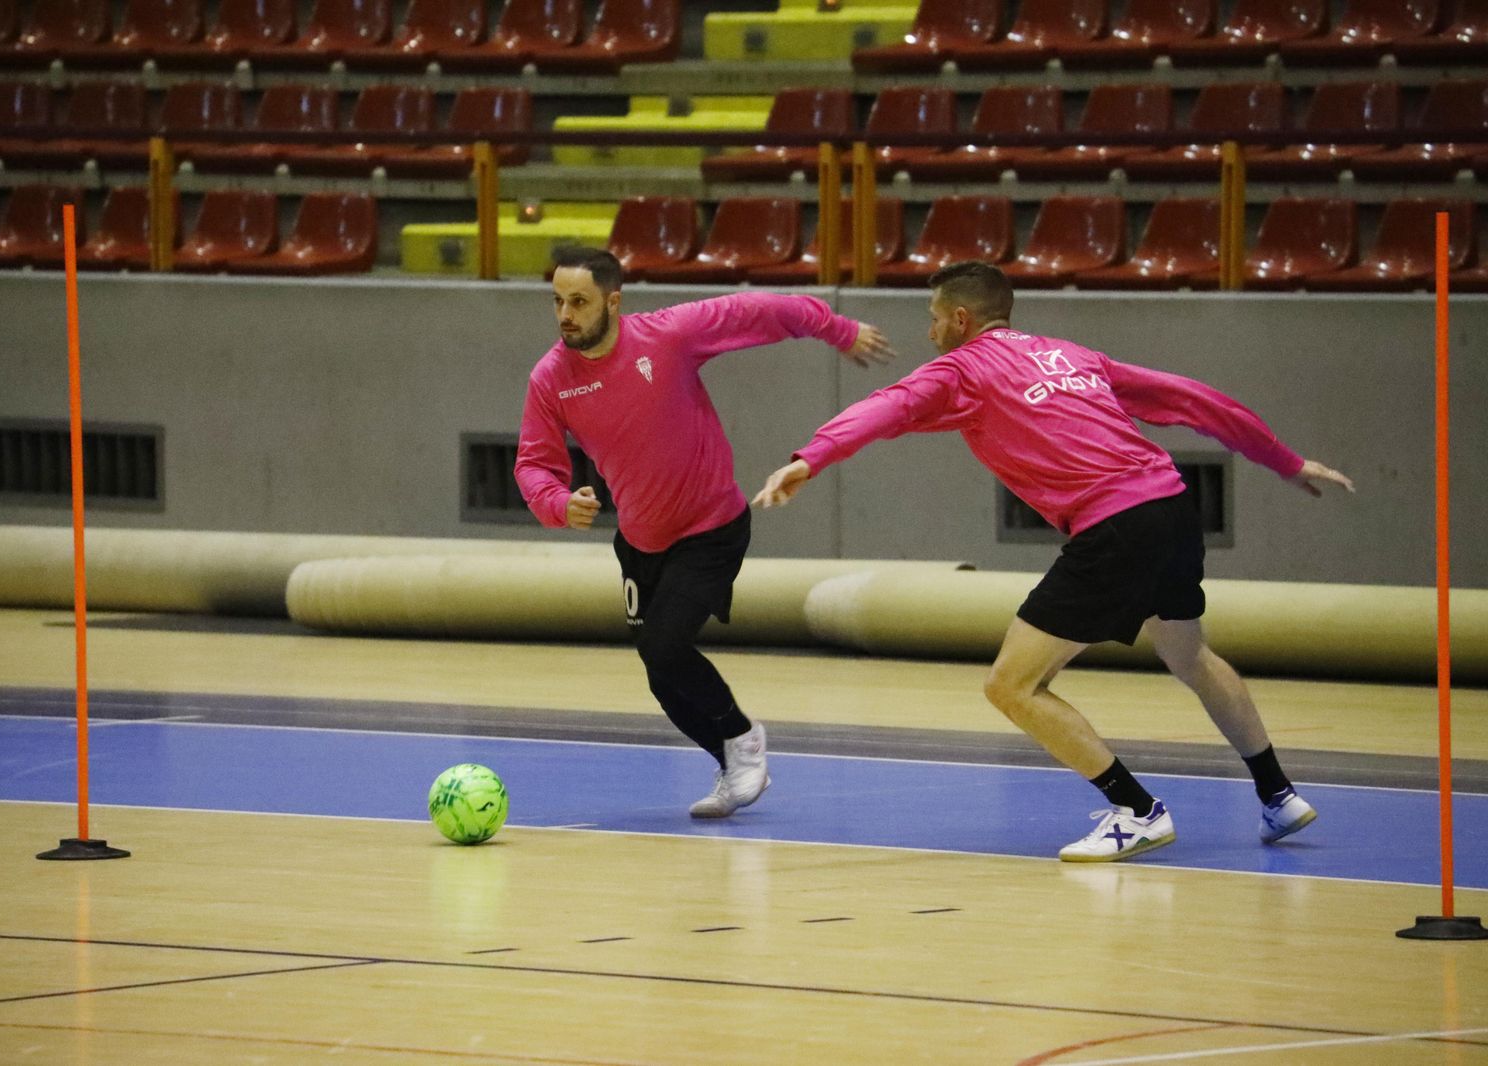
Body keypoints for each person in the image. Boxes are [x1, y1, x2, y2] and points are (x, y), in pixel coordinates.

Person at [752, 260, 1355, 862]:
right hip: (1171, 507)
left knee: (1011, 685)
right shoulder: (1069, 355)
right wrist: (1283, 459)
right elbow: (1188, 398)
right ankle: (1278, 794)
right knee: (1187, 652)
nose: (930, 333)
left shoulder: (960, 368)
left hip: (1114, 526)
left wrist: (813, 458)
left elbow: (890, 404)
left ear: (961, 320)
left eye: (934, 321)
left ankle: (1136, 811)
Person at [515, 246, 897, 818]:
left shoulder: (667, 337)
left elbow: (760, 310)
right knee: (660, 672)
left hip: (711, 526)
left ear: (613, 302)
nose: (565, 314)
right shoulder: (551, 377)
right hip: (642, 543)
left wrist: (836, 328)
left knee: (665, 646)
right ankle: (731, 763)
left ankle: (744, 739)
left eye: (579, 301)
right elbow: (532, 464)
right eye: (558, 302)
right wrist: (556, 502)